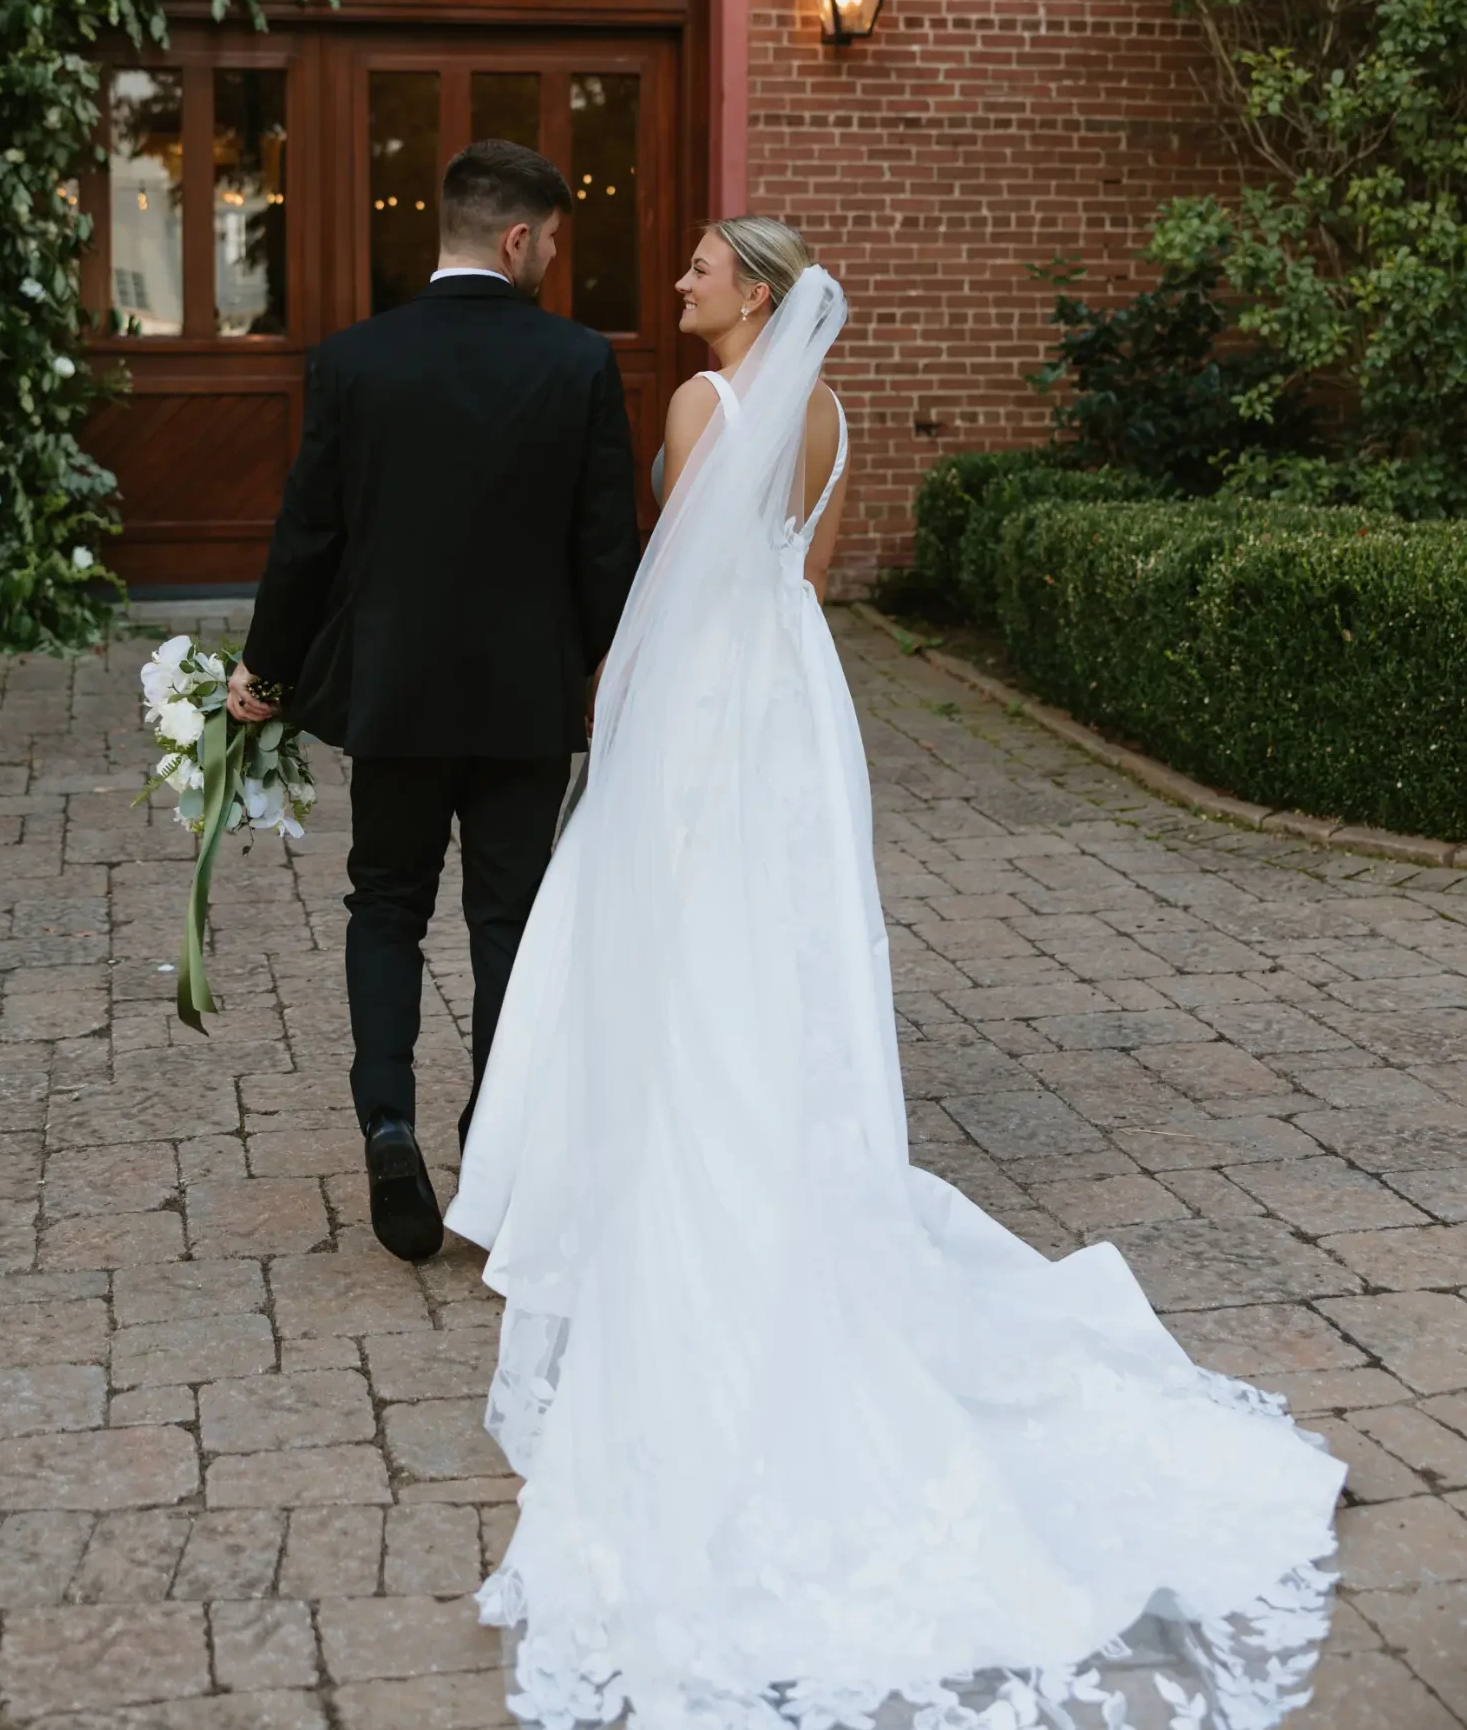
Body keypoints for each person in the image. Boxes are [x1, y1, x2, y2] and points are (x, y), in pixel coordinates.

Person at [446, 218, 1345, 1730]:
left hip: (711, 692)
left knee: (665, 927)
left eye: (702, 269)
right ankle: (779, 1127)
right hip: (797, 694)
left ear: (756, 293)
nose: (681, 284)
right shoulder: (834, 413)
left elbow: (676, 578)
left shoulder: (702, 404)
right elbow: (810, 569)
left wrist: (621, 695)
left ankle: (653, 1166)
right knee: (783, 929)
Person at [230, 139, 639, 1265]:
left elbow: (308, 534)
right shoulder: (576, 361)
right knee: (507, 918)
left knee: (386, 904)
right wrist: (610, 671)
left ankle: (387, 1123)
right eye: (551, 242)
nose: (553, 260)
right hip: (525, 698)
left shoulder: (356, 359)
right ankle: (490, 1144)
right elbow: (605, 546)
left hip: (395, 692)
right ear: (517, 237)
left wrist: (265, 670)